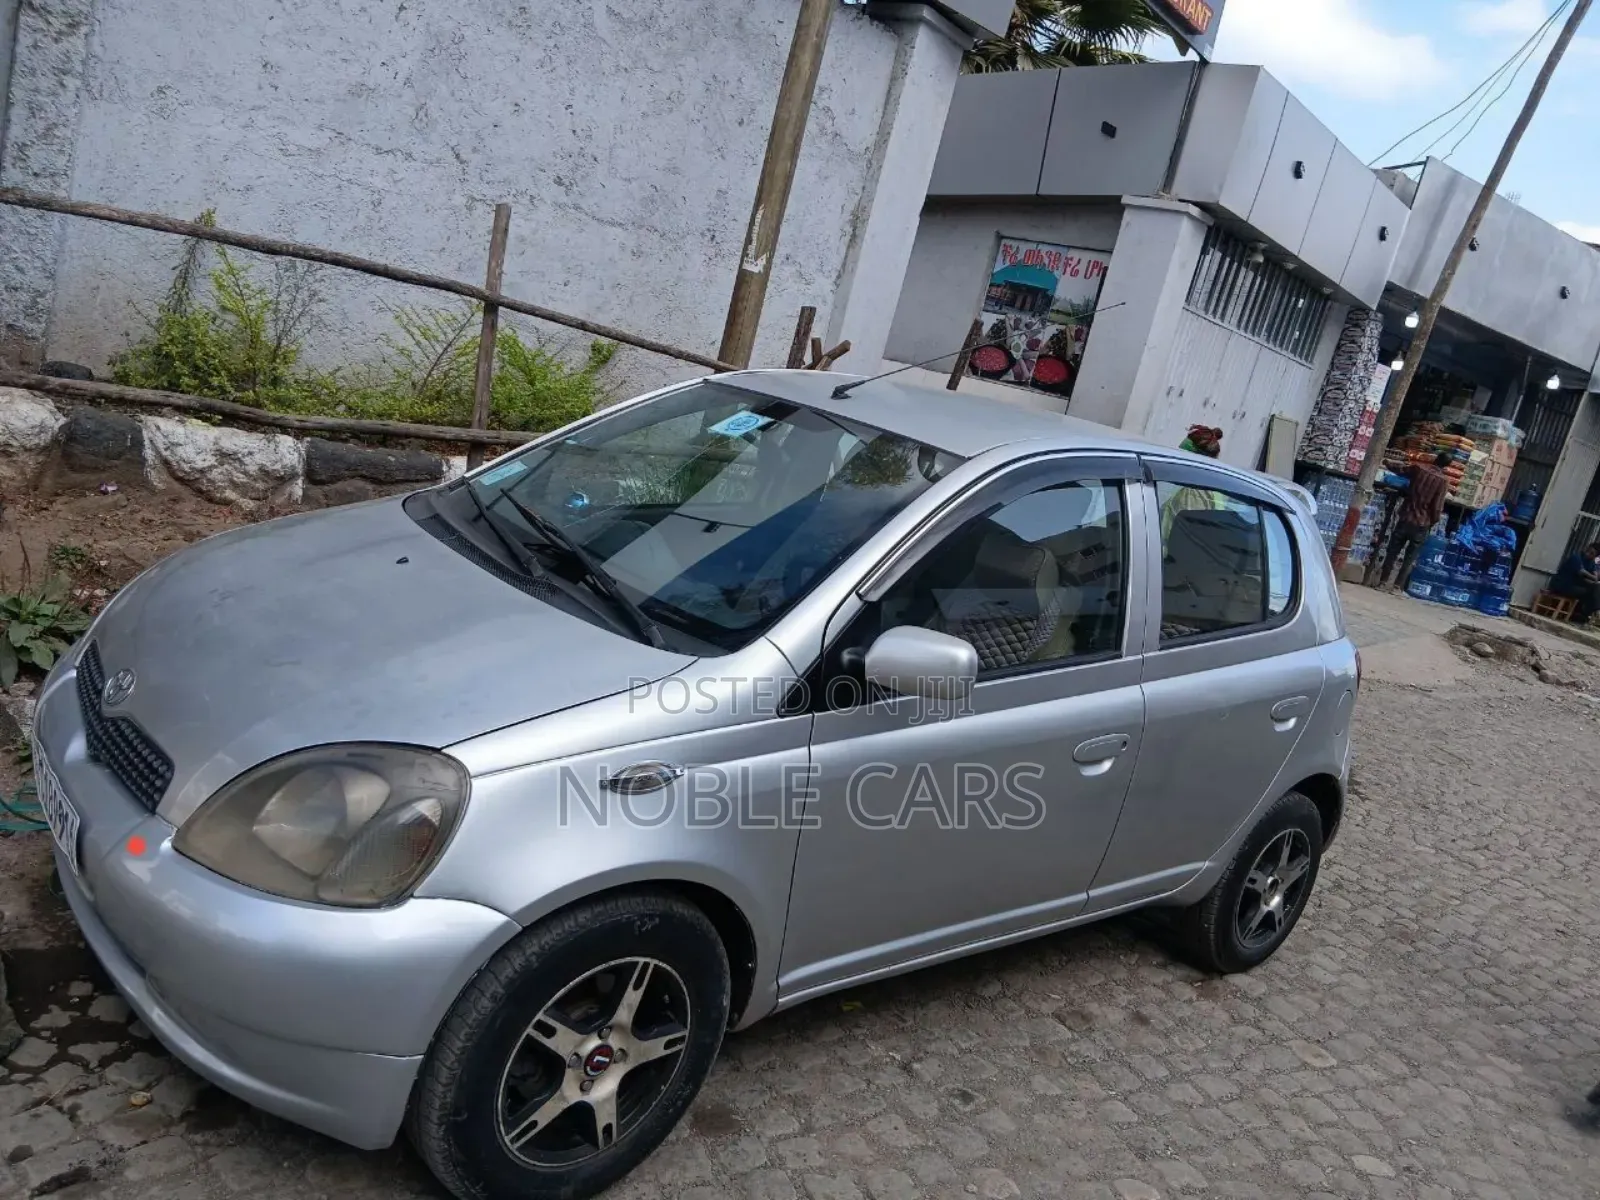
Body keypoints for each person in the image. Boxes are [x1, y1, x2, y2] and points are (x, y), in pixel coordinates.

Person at [1365, 450, 1453, 591]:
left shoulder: (1419, 469)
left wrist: (1387, 462)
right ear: (1446, 466)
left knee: (1392, 551)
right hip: (1422, 523)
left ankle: (1382, 582)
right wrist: (1433, 520)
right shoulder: (1443, 481)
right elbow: (1437, 507)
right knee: (1410, 557)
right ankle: (1397, 586)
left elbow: (1401, 469)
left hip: (1406, 517)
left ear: (1436, 459)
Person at [1550, 541, 1600, 620]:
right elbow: (1582, 572)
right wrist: (1593, 578)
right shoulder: (1576, 557)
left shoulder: (1591, 563)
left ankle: (1586, 615)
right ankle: (1592, 613)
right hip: (1562, 585)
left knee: (1595, 589)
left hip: (1574, 586)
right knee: (1591, 593)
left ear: (1595, 556)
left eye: (1592, 553)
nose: (1588, 553)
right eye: (1588, 551)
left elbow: (1595, 576)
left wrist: (1593, 579)